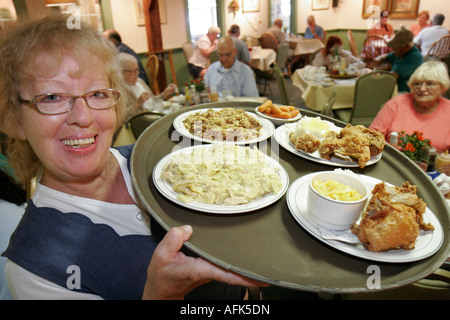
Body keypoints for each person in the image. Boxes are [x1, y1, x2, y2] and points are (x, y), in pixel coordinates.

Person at [0, 14, 265, 300]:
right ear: (15, 119)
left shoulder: (156, 160)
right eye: (52, 97)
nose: (83, 117)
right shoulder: (35, 270)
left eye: (98, 93)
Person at [370, 60, 450, 153]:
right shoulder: (396, 104)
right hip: (394, 161)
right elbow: (371, 137)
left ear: (442, 87)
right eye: (417, 83)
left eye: (430, 84)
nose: (422, 89)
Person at [118, 53, 176, 118]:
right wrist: (137, 104)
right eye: (133, 71)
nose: (137, 73)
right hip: (143, 121)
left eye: (137, 69)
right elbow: (121, 117)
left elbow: (153, 101)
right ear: (122, 73)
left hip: (155, 114)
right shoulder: (121, 90)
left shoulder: (140, 81)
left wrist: (164, 94)